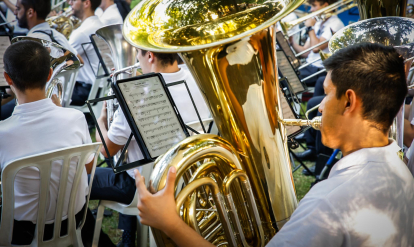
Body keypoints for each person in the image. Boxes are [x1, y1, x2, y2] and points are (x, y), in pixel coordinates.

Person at [134, 42, 414, 246]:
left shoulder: (330, 201)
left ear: (350, 101)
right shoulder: (401, 168)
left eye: (327, 94)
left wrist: (169, 223)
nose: (320, 107)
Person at [0, 40, 114, 246]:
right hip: (73, 219)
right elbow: (88, 168)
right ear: (50, 75)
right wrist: (61, 112)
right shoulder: (76, 118)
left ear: (8, 78)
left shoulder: (2, 134)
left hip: (24, 233)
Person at [93, 49, 210, 247]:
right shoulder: (196, 79)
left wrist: (101, 123)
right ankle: (128, 236)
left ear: (150, 56)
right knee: (132, 156)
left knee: (82, 180)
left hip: (148, 186)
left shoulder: (136, 93)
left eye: (138, 56)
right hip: (188, 174)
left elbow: (107, 150)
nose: (137, 62)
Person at [290, 0, 344, 85]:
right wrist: (291, 42)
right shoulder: (318, 23)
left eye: (314, 6)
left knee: (288, 79)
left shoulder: (336, 24)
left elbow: (316, 49)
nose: (311, 10)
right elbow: (305, 52)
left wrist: (310, 28)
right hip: (309, 67)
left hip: (320, 70)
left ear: (325, 5)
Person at [68, 0, 103, 106]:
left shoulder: (82, 32)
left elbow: (61, 60)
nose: (69, 3)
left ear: (86, 3)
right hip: (98, 89)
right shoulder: (99, 24)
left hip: (86, 91)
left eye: (74, 0)